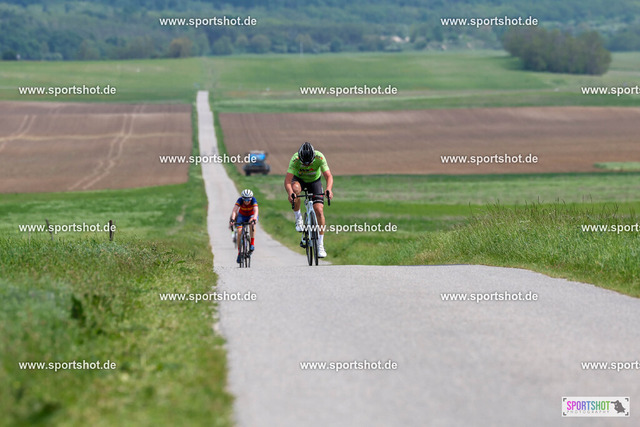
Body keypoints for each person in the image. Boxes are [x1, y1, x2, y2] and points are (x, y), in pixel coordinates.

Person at [284, 142, 333, 258]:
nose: (306, 165)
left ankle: (320, 245)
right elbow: (287, 181)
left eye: (309, 162)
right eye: (304, 163)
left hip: (314, 181)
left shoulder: (319, 157)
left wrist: (329, 189)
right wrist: (290, 193)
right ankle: (298, 218)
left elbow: (328, 176)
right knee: (295, 189)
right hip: (299, 180)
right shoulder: (295, 159)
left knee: (319, 210)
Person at [229, 189, 259, 264]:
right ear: (242, 198)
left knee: (252, 224)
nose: (246, 201)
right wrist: (232, 219)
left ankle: (252, 243)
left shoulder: (253, 200)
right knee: (239, 232)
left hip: (251, 215)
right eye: (245, 199)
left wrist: (254, 219)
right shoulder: (240, 200)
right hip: (242, 216)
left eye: (248, 200)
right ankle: (239, 253)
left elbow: (256, 211)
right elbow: (234, 210)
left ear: (251, 198)